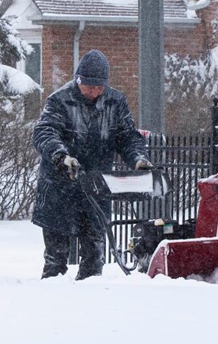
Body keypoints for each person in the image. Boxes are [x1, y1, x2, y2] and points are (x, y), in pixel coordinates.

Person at [31, 49, 153, 280]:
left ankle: (92, 291)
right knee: (56, 254)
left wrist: (138, 158)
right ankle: (52, 293)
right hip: (61, 186)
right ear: (79, 80)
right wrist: (61, 156)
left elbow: (127, 136)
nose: (95, 92)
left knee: (95, 249)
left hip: (97, 186)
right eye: (90, 86)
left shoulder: (115, 102)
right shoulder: (59, 100)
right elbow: (45, 133)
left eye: (100, 87)